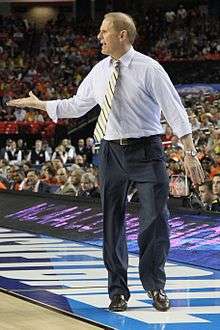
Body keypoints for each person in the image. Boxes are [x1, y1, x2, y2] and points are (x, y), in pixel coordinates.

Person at [7, 12, 205, 312]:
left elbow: (174, 110)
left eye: (104, 32)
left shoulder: (150, 69)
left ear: (122, 34)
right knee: (112, 224)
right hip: (110, 152)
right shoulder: (100, 70)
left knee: (154, 221)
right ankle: (118, 291)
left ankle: (155, 287)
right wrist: (43, 105)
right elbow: (78, 103)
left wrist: (189, 152)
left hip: (146, 151)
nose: (99, 37)